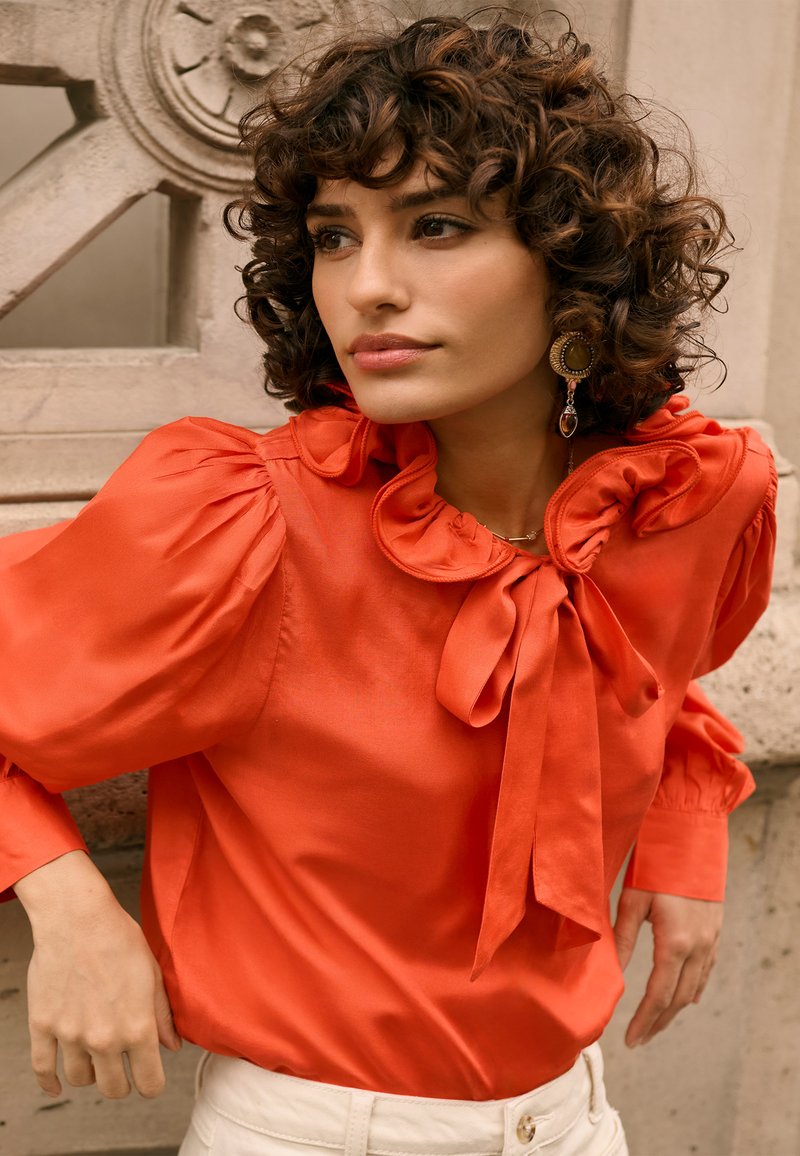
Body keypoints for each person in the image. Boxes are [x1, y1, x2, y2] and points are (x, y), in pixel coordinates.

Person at [0, 11, 776, 1156]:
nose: (365, 287)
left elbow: (645, 668)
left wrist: (681, 822)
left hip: (575, 1118)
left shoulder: (685, 497)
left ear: (569, 261)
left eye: (437, 226)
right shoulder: (251, 528)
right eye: (331, 235)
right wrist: (64, 901)